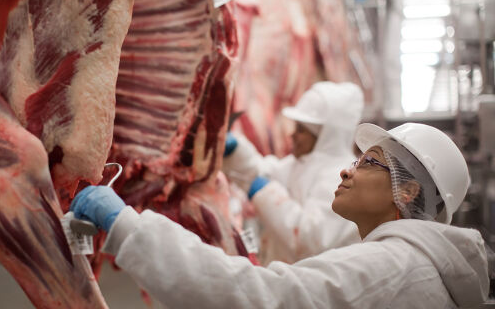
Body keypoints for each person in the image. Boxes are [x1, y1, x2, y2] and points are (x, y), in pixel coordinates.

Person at [71, 123, 489, 308]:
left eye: (369, 163)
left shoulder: (390, 268)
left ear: (409, 190)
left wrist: (126, 225)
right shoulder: (408, 264)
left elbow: (259, 297)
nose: (347, 169)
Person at [222, 81, 364, 264]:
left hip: (312, 286)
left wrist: (264, 192)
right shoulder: (299, 164)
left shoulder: (342, 177)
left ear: (324, 137)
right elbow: (261, 171)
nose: (292, 135)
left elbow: (311, 238)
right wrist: (235, 150)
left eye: (301, 130)